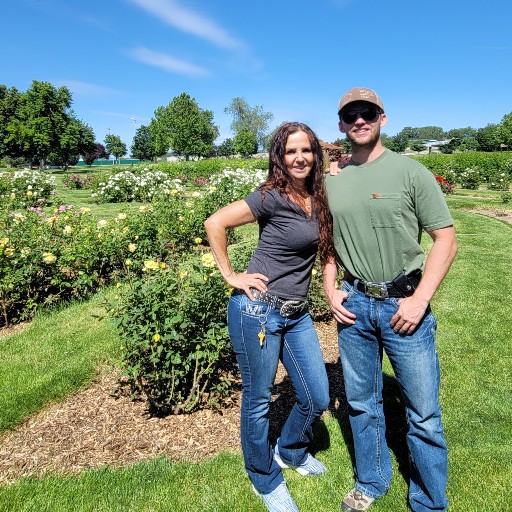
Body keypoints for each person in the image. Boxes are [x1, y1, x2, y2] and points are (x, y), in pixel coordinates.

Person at [323, 87, 458, 512]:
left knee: (423, 413)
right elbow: (327, 244)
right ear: (341, 125)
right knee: (362, 405)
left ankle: (430, 501)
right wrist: (329, 288)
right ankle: (372, 481)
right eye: (350, 116)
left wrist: (420, 299)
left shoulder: (411, 172)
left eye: (367, 113)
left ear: (382, 118)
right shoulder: (331, 179)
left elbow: (445, 239)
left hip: (405, 305)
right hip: (354, 306)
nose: (358, 121)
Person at [205, 122, 333, 512]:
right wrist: (231, 275)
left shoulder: (319, 196)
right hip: (257, 310)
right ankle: (264, 478)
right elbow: (216, 222)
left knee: (317, 396)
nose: (299, 158)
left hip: (297, 314)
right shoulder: (270, 196)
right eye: (291, 151)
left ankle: (290, 451)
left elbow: (327, 249)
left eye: (306, 150)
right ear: (280, 157)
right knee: (258, 400)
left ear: (315, 155)